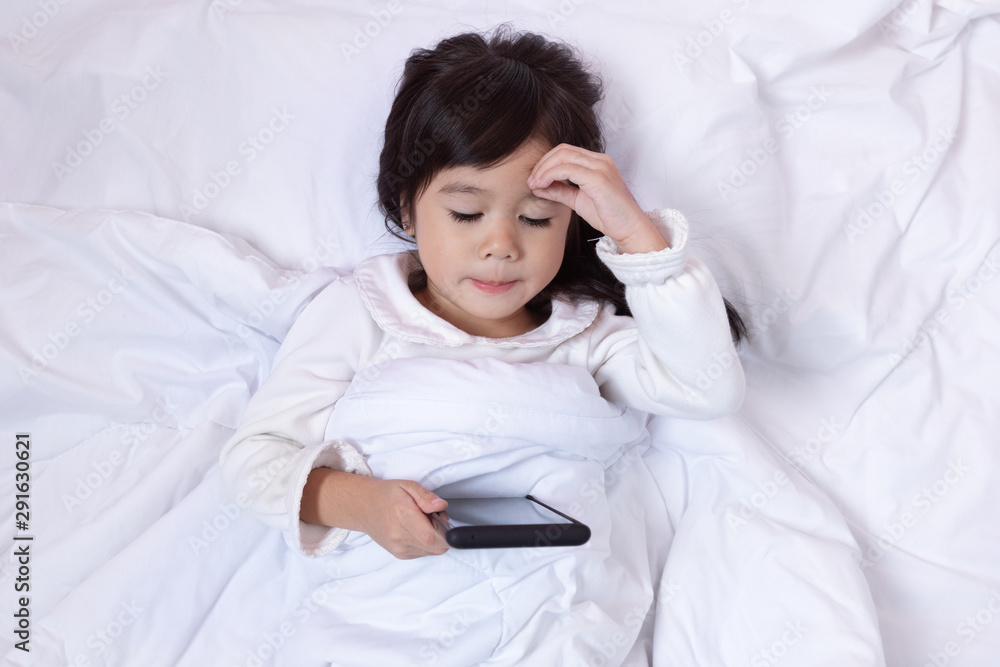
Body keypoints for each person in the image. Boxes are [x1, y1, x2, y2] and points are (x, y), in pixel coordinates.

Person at [219, 26, 746, 563]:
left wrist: (635, 234)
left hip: (561, 599)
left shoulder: (586, 338)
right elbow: (255, 461)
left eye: (536, 219)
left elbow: (706, 389)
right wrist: (363, 505)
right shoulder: (359, 314)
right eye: (467, 214)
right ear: (406, 208)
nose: (501, 246)